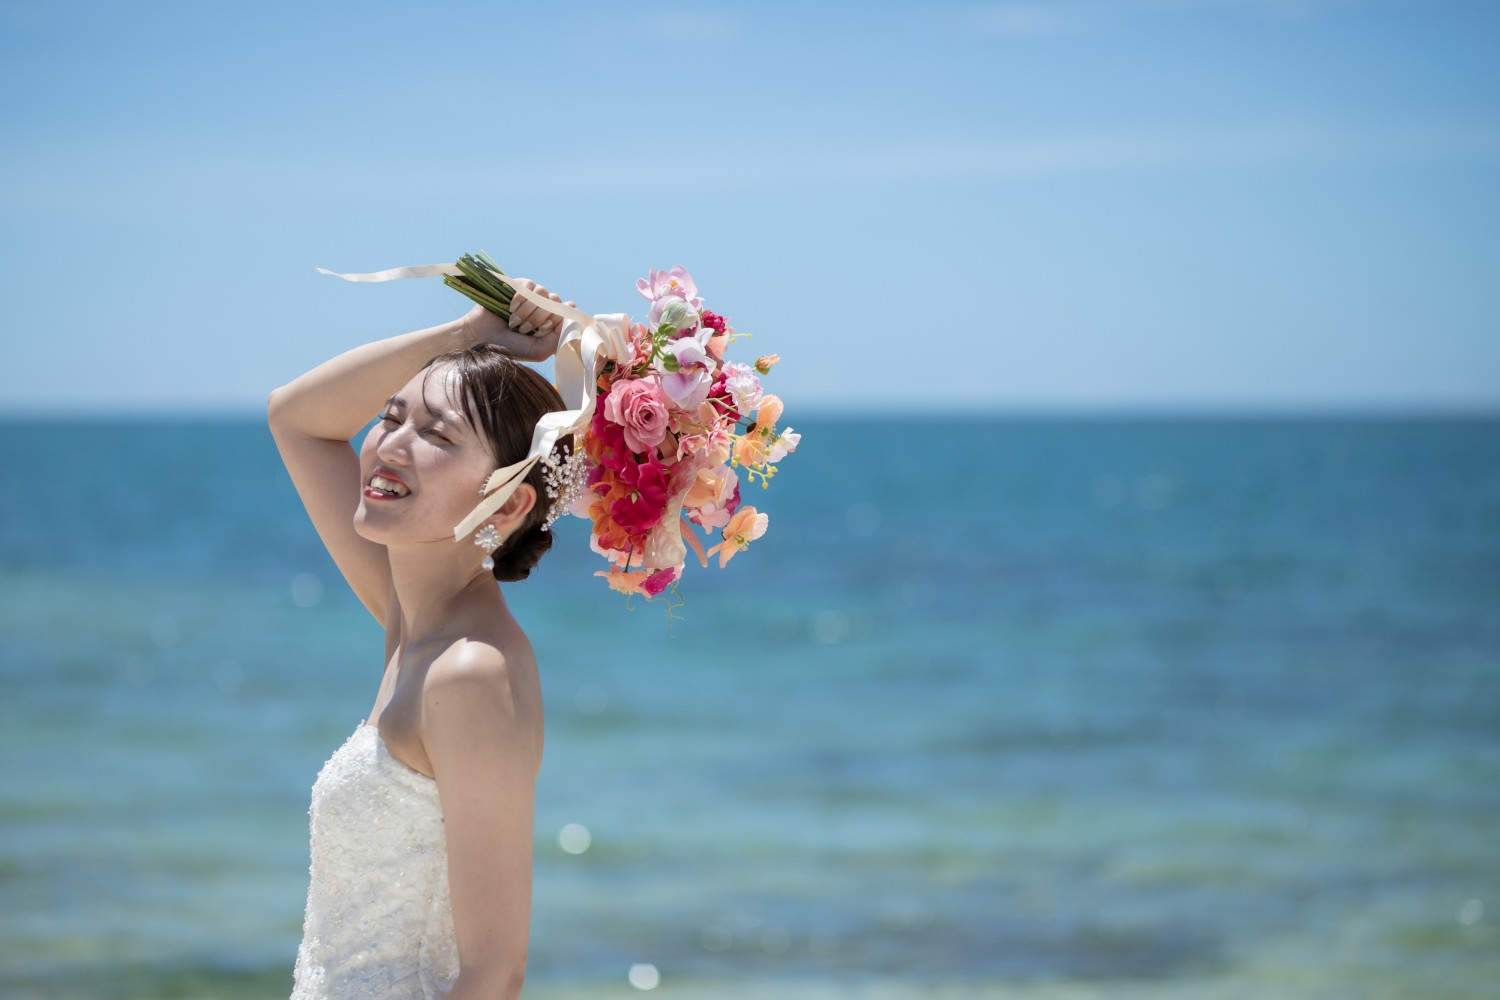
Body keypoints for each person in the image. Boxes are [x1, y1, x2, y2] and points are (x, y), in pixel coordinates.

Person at [267, 280, 574, 1000]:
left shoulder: (467, 673)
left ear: (512, 499)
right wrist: (469, 331)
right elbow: (296, 418)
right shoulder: (416, 623)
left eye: (437, 435)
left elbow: (496, 974)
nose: (390, 448)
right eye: (391, 417)